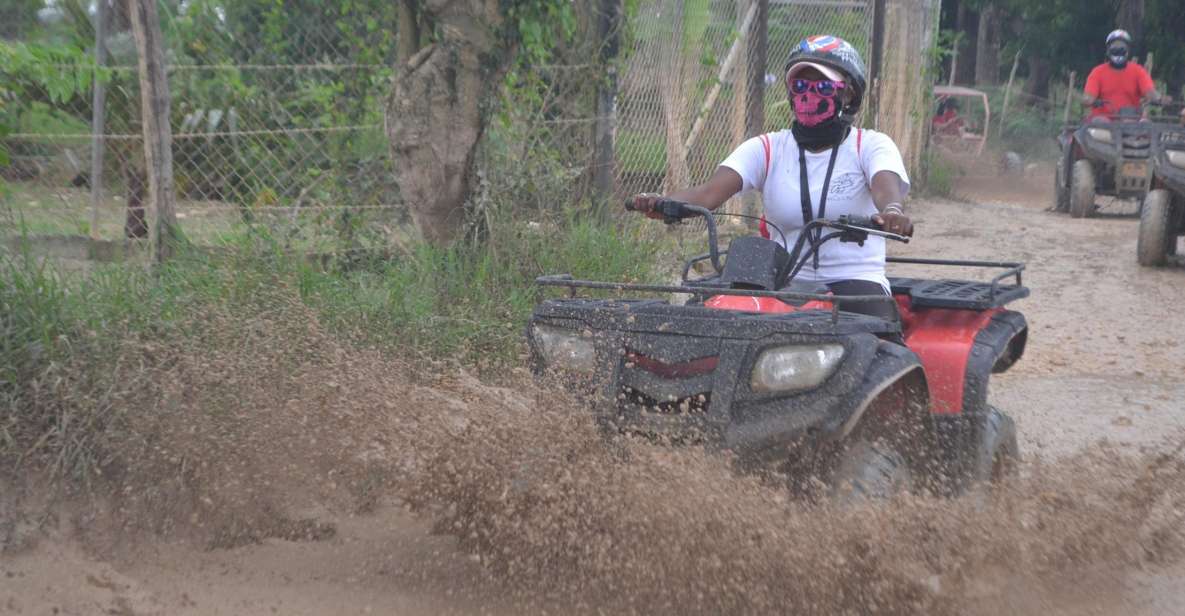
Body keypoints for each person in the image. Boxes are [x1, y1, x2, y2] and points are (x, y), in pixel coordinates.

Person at [629, 35, 912, 322]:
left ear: (848, 93)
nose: (808, 94)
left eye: (823, 86)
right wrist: (662, 202)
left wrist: (892, 212)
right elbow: (708, 194)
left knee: (878, 344)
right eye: (800, 85)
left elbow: (884, 187)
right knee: (715, 322)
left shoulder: (871, 145)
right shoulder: (767, 148)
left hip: (854, 280)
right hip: (782, 278)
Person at [1083, 29, 1170, 121]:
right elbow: (1089, 96)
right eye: (1115, 46)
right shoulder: (1097, 72)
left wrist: (1159, 99)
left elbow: (1149, 92)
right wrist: (1089, 100)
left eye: (1122, 46)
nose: (1118, 49)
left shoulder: (1138, 71)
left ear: (1128, 49)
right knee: (1099, 122)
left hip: (1131, 121)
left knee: (1146, 124)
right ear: (1108, 49)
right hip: (1104, 122)